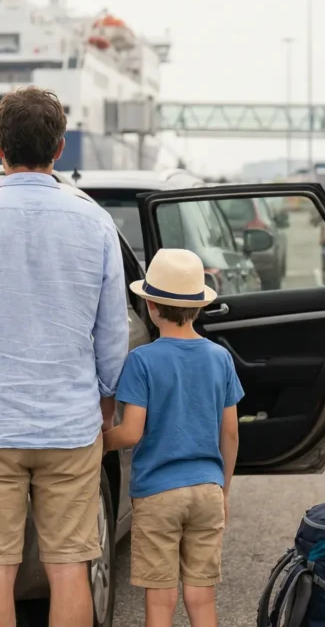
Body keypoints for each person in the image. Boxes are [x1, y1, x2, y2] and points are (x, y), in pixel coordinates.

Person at [0, 86, 130, 627]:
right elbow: (112, 331)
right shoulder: (95, 221)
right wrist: (106, 403)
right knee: (70, 565)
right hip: (71, 423)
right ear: (59, 148)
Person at [103, 248, 241, 627]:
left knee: (161, 601)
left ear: (150, 306)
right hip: (207, 488)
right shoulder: (220, 358)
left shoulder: (142, 360)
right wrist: (224, 489)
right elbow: (230, 432)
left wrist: (98, 444)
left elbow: (132, 432)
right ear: (198, 306)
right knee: (201, 598)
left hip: (158, 493)